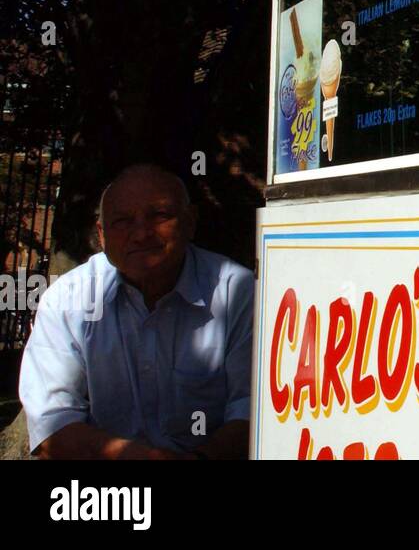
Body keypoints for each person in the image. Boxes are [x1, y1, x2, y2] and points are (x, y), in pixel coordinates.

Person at [19, 163, 253, 458]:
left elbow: (253, 409)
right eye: (122, 221)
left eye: (160, 216)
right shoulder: (67, 300)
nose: (142, 234)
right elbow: (51, 423)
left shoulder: (238, 292)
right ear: (101, 236)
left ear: (191, 222)